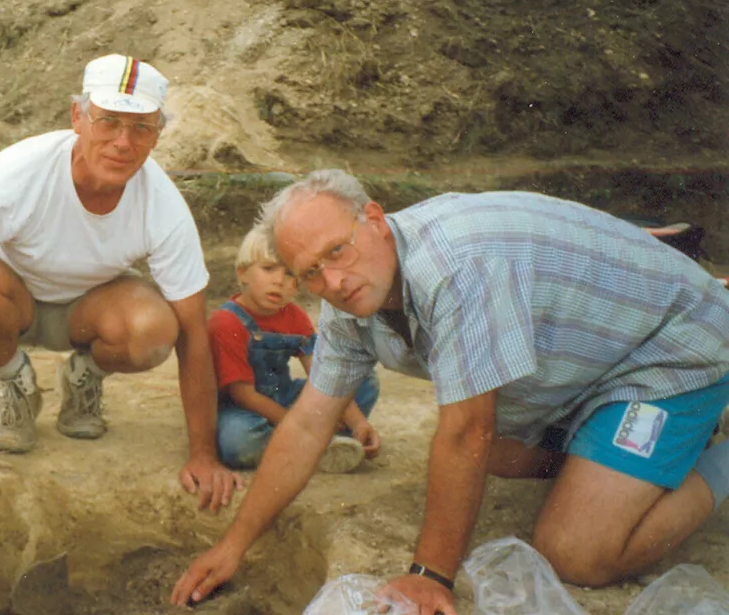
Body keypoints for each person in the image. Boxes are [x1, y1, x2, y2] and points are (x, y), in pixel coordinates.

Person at [173, 169, 729, 614]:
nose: (332, 282)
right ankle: (649, 455)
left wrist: (429, 576)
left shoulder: (456, 266)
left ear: (373, 220)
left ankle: (717, 455)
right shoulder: (348, 299)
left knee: (578, 552)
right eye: (310, 272)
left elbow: (468, 432)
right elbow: (308, 422)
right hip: (590, 367)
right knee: (504, 458)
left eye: (337, 252)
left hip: (671, 349)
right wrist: (233, 544)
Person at [0, 54, 242, 511]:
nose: (123, 142)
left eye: (141, 127)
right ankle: (14, 382)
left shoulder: (161, 203)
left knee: (157, 327)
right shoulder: (22, 170)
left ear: (158, 134)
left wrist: (204, 454)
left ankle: (84, 379)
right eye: (109, 122)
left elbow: (194, 331)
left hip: (90, 313)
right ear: (78, 117)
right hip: (10, 304)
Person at [210, 225, 380, 472]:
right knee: (238, 442)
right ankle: (315, 446)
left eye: (290, 274)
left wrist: (359, 423)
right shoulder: (226, 322)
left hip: (284, 395)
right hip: (242, 409)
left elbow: (325, 373)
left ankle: (320, 438)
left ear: (299, 284)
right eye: (268, 269)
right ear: (243, 273)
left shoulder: (294, 316)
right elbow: (243, 395)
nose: (279, 281)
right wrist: (296, 424)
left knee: (364, 382)